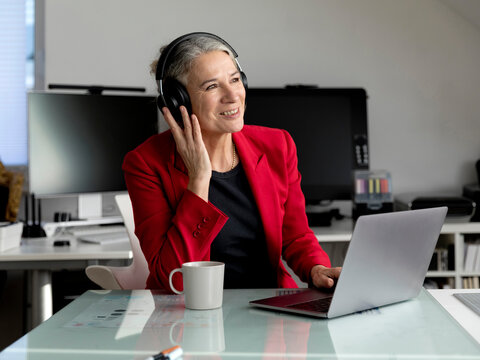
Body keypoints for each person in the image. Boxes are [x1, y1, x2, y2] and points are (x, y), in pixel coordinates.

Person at [122, 32, 341, 291]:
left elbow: (296, 236)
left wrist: (317, 269)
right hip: (189, 316)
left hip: (270, 312)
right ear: (177, 100)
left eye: (235, 80)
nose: (232, 95)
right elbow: (174, 281)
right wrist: (199, 180)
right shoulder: (146, 164)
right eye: (212, 86)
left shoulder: (277, 146)